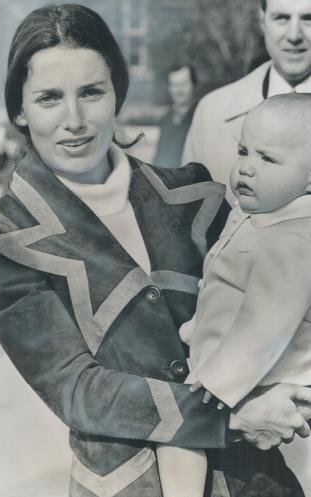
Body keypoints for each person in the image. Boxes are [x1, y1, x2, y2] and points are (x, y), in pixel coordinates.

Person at [0, 5, 310, 497]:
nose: (74, 120)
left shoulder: (199, 195)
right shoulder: (6, 238)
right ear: (20, 111)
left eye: (91, 92)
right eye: (49, 98)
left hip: (256, 482)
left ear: (117, 92)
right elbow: (78, 389)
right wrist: (231, 417)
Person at [158, 93, 311, 497]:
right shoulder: (261, 216)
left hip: (257, 376)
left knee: (182, 436)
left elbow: (266, 323)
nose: (246, 168)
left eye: (268, 159)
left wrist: (218, 382)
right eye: (244, 151)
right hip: (239, 367)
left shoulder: (293, 238)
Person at [182, 0, 311, 205]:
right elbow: (188, 213)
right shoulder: (212, 111)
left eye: (308, 19)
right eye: (281, 18)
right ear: (262, 21)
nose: (294, 35)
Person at [154, 64, 197, 168]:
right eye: (174, 85)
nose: (179, 91)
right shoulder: (166, 119)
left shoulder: (199, 116)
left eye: (183, 84)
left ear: (193, 84)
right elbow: (159, 157)